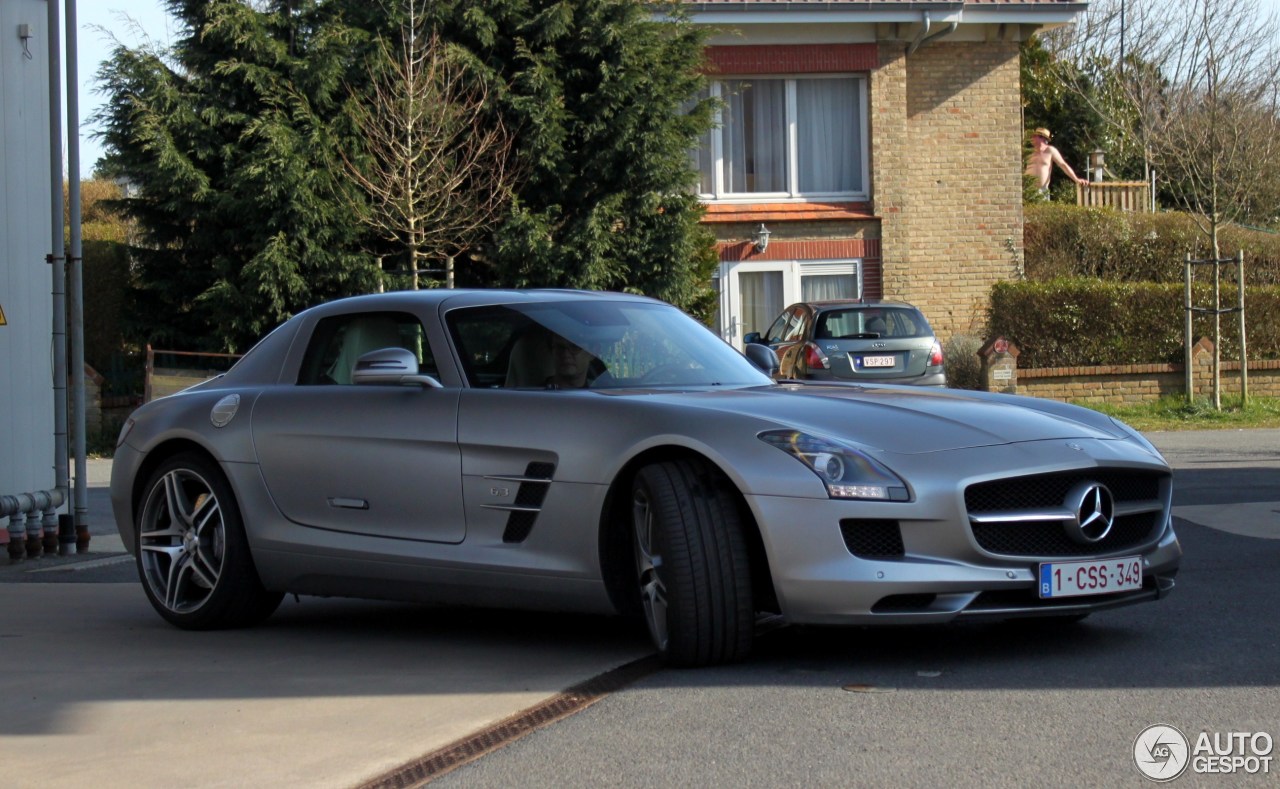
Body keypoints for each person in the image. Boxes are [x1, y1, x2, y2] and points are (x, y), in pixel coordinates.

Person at [1025, 127, 1085, 193]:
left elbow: (1063, 165)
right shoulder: (1029, 152)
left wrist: (1076, 179)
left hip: (1042, 191)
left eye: (1034, 136)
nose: (1032, 138)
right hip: (1027, 190)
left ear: (1041, 138)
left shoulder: (1050, 150)